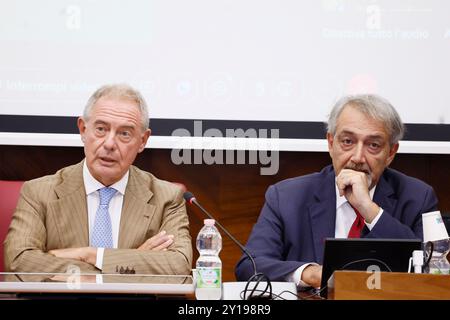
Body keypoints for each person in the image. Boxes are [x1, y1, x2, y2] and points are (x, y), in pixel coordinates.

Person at [235, 94, 438, 288]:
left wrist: (370, 211)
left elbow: (434, 274)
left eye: (373, 145)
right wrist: (310, 273)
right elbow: (249, 267)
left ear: (391, 153)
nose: (358, 157)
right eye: (347, 141)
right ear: (331, 143)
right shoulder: (286, 197)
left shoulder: (418, 198)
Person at [4, 84, 192, 275]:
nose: (110, 144)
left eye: (124, 133)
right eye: (101, 129)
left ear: (143, 140)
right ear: (83, 129)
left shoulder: (167, 197)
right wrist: (128, 262)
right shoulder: (38, 193)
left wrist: (91, 255)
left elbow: (178, 266)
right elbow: (19, 262)